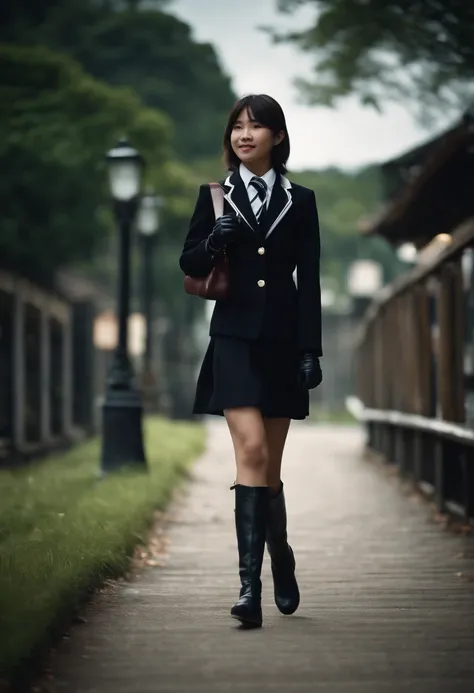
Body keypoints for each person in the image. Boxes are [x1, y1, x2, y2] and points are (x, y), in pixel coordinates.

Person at [179, 94, 322, 628]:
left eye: (256, 126)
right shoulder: (215, 196)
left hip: (283, 343)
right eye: (237, 126)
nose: (244, 134)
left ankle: (280, 555)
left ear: (277, 137)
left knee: (271, 471)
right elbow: (188, 263)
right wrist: (214, 238)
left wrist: (312, 350)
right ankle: (248, 589)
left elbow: (309, 282)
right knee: (252, 451)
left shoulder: (301, 200)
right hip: (234, 338)